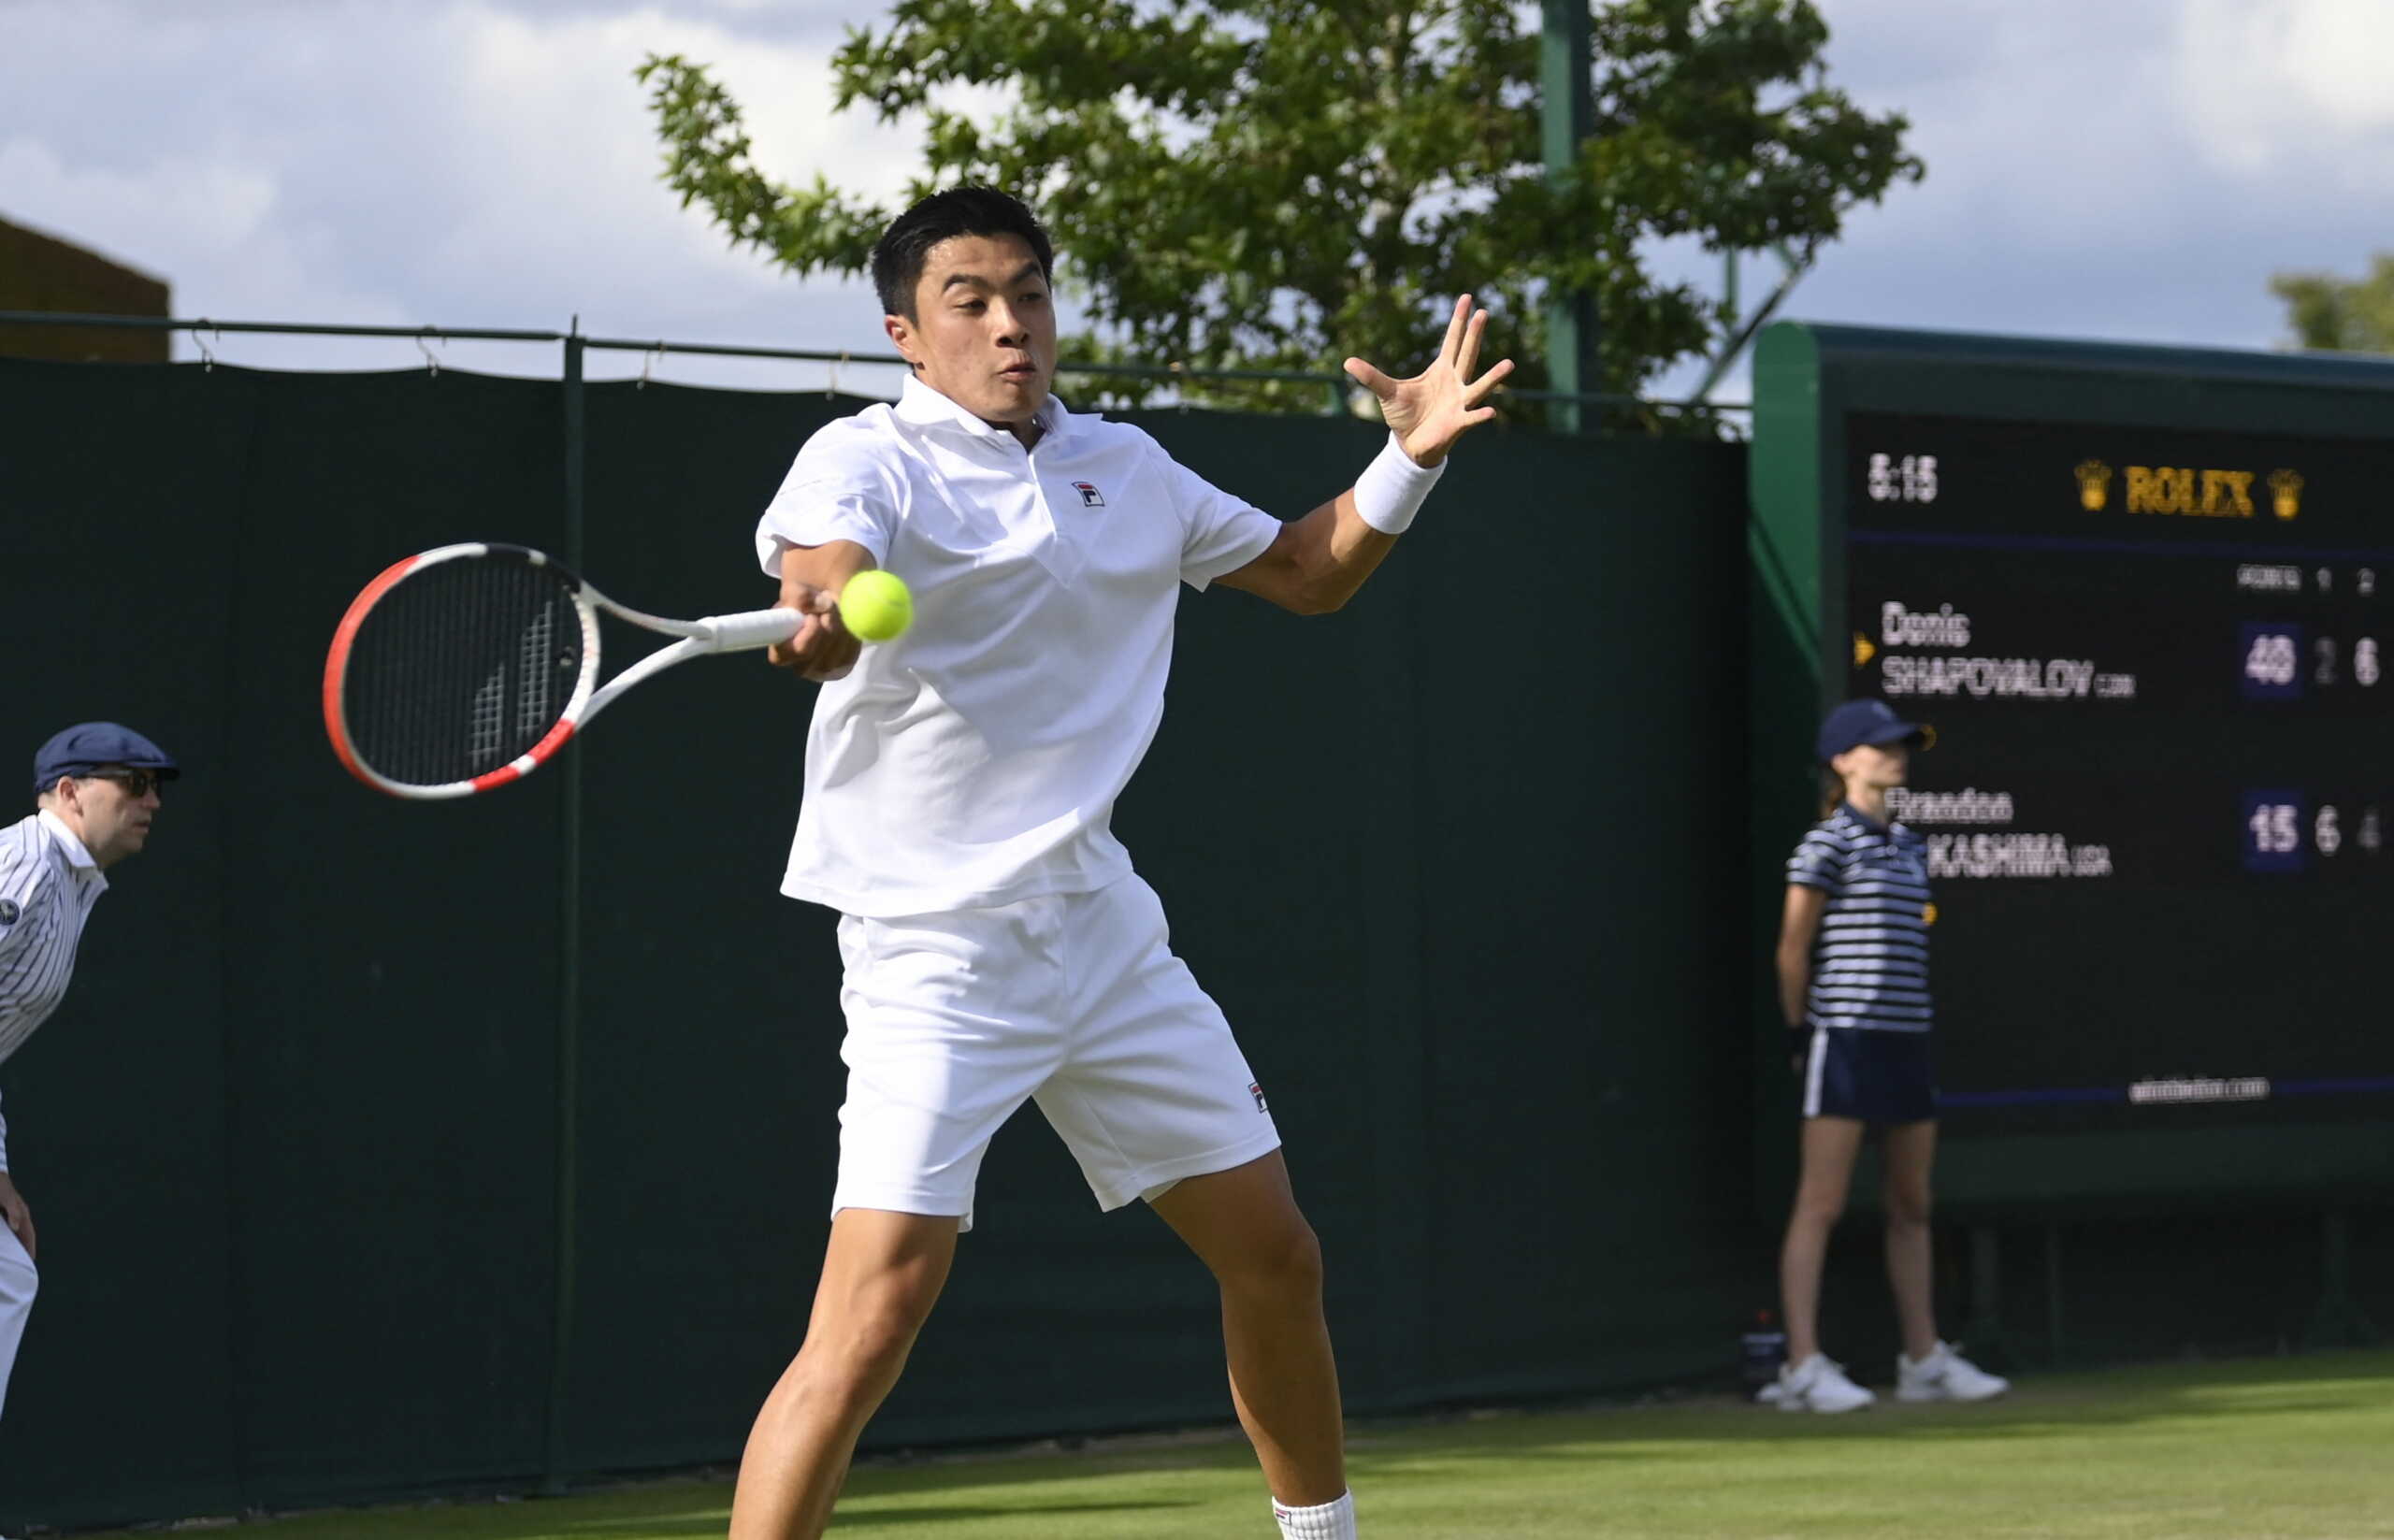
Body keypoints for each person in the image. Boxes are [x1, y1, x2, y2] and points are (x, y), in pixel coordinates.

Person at [735, 186, 1509, 1540]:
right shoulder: (866, 457)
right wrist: (823, 618)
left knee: (1276, 1253)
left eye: (1027, 292)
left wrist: (1413, 456)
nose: (1008, 323)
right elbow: (828, 562)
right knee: (867, 1322)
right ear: (906, 335)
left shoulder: (1128, 467)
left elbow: (1307, 571)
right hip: (935, 948)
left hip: (1099, 928)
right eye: (967, 300)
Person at [1769, 698, 2008, 1413]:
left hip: (1907, 1037)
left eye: (1901, 745)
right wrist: (1799, 1033)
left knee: (1912, 1203)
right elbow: (1791, 948)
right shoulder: (1823, 845)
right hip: (1843, 1036)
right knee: (1821, 1202)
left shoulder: (1912, 846)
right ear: (1844, 761)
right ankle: (1802, 1366)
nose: (1896, 755)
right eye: (1880, 746)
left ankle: (1922, 1358)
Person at [0, 723, 178, 1428]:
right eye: (134, 783)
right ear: (70, 792)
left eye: (156, 787)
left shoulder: (70, 885)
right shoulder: (27, 864)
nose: (152, 801)